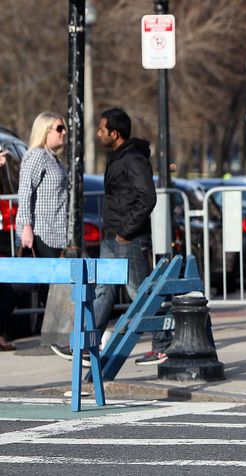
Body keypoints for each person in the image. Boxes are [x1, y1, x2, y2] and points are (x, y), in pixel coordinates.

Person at [50, 108, 168, 364]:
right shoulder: (118, 157)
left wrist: (126, 232)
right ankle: (85, 345)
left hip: (129, 238)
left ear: (115, 133)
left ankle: (163, 343)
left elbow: (147, 197)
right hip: (112, 237)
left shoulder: (133, 159)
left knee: (139, 291)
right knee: (102, 291)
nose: (98, 133)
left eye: (102, 129)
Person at [16, 112, 68, 258]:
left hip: (56, 234)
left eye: (64, 128)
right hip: (40, 234)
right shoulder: (37, 156)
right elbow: (25, 192)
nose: (64, 132)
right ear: (45, 130)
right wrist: (26, 228)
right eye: (59, 128)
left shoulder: (54, 158)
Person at [0, 151, 17, 352]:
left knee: (12, 285)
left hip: (6, 235)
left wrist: (6, 168)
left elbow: (13, 188)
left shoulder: (8, 169)